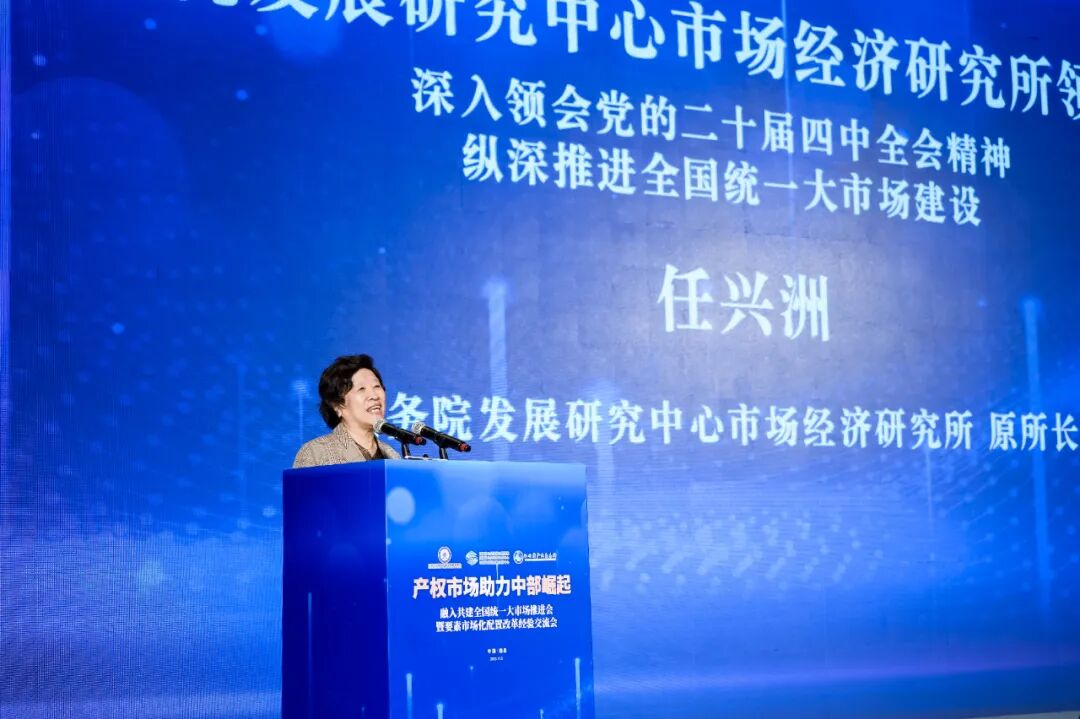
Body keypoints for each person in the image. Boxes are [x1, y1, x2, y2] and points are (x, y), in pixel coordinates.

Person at [293, 354, 402, 468]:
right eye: (361, 389)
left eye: (377, 386)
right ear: (337, 406)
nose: (374, 396)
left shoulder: (392, 456)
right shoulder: (315, 453)